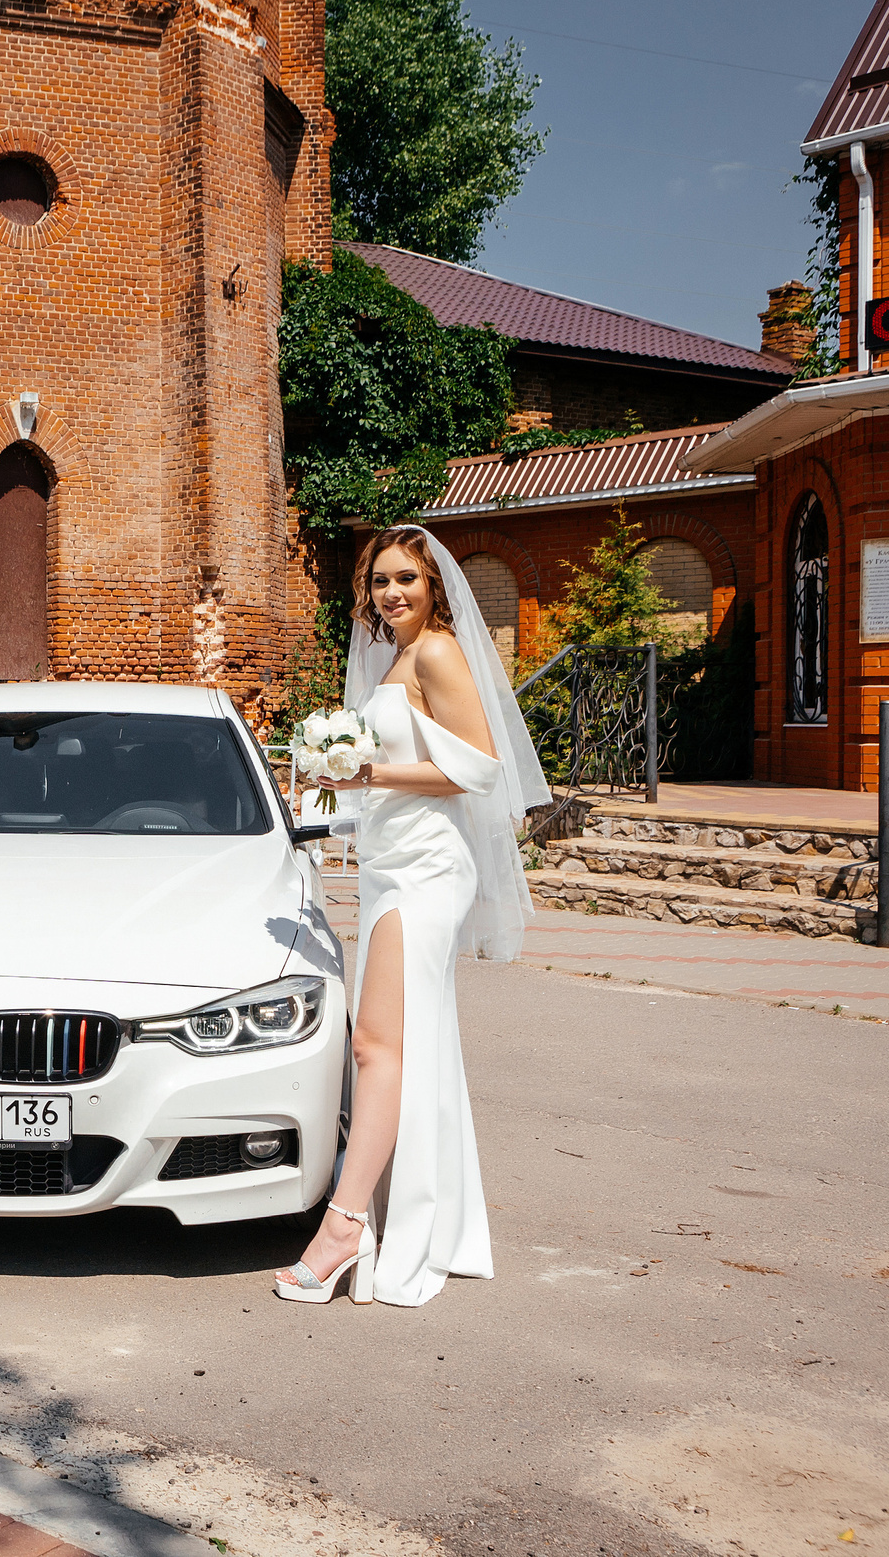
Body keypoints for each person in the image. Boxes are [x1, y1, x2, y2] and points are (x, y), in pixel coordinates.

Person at [277, 525, 549, 1307]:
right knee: (400, 1044)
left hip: (429, 868)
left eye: (406, 578)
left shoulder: (435, 652)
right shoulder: (390, 659)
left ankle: (345, 1226)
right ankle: (403, 1218)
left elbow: (479, 767)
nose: (392, 592)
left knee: (377, 1045)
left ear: (434, 586)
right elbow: (391, 770)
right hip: (388, 862)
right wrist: (333, 786)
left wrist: (370, 770)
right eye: (380, 580)